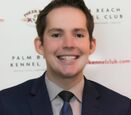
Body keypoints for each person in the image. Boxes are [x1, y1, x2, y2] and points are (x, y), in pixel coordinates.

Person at [0, 0, 131, 115]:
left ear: (91, 45)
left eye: (78, 35)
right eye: (56, 35)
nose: (68, 44)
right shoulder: (5, 105)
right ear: (40, 45)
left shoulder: (121, 108)